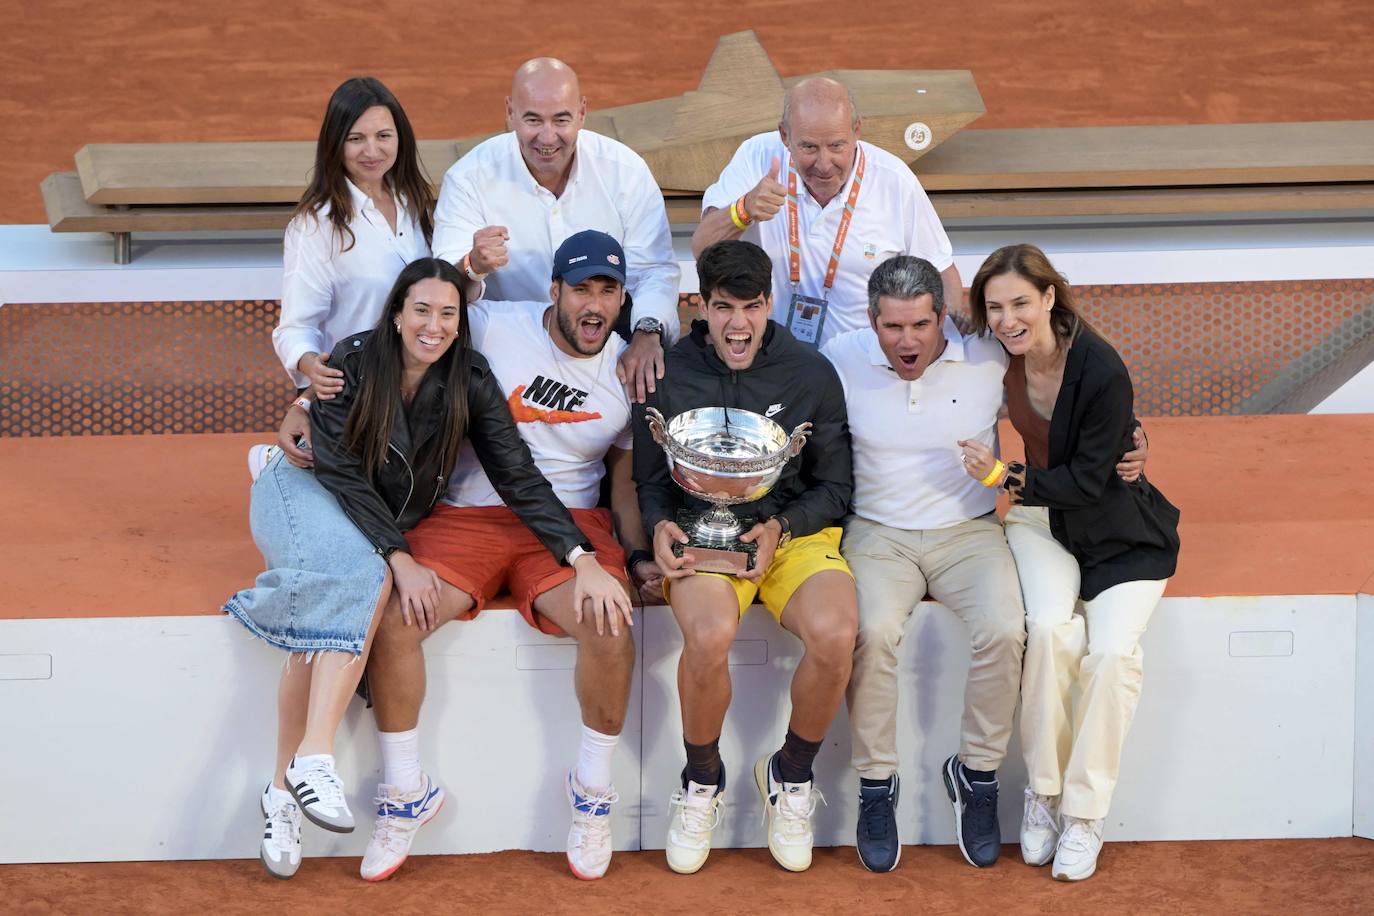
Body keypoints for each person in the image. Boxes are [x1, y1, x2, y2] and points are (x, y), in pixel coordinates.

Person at [227, 257, 572, 878]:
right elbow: (338, 472)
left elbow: (517, 475)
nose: (434, 325)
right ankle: (314, 758)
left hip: (367, 513)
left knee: (336, 596)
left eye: (447, 313)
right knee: (362, 579)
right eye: (421, 310)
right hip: (306, 488)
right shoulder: (351, 363)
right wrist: (399, 555)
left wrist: (579, 555)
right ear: (396, 313)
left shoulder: (469, 377)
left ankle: (283, 792)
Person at [824, 256, 1150, 873]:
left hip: (970, 532)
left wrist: (1129, 439)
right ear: (872, 322)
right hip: (876, 534)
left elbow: (1074, 383)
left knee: (1007, 629)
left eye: (920, 324)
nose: (907, 340)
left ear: (942, 317)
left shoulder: (989, 354)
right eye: (892, 327)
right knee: (869, 632)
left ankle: (976, 775)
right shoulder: (839, 358)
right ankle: (875, 786)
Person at [360, 231, 646, 883]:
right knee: (396, 616)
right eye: (581, 289)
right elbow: (424, 317)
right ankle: (404, 791)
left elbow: (624, 479)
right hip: (471, 512)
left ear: (622, 298)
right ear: (555, 293)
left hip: (571, 522)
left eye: (607, 290)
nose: (593, 304)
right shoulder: (493, 325)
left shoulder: (628, 366)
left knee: (611, 624)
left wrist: (629, 558)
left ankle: (592, 794)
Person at [633, 240, 856, 875]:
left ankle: (789, 776)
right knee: (706, 635)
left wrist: (782, 525)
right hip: (700, 531)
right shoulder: (668, 372)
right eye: (722, 307)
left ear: (770, 304)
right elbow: (650, 480)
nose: (738, 324)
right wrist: (656, 527)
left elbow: (836, 486)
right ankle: (702, 782)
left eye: (752, 307)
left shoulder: (811, 373)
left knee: (838, 635)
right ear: (698, 305)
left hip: (792, 532)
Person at [961, 243, 1180, 882]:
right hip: (1042, 524)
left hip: (1117, 531)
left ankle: (1084, 814)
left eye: (1020, 303)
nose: (1006, 319)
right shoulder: (993, 351)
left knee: (1112, 657)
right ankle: (1045, 793)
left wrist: (1004, 474)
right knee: (1053, 634)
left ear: (1051, 297)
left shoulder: (1101, 368)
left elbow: (1088, 481)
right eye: (995, 307)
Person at [432, 57, 681, 403]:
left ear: (582, 113)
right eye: (533, 119)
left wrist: (647, 332)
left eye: (561, 119)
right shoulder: (468, 178)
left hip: (601, 352)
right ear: (509, 113)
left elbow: (653, 269)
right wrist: (472, 265)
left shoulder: (625, 171)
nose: (547, 137)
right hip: (502, 362)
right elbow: (440, 285)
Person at [260, 76, 468, 474]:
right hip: (360, 394)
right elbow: (296, 327)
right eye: (356, 139)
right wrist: (308, 381)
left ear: (400, 138)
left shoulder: (419, 204)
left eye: (383, 136)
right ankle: (279, 469)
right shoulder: (315, 224)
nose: (371, 151)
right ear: (335, 143)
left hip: (426, 385)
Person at [692, 77, 959, 350]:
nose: (824, 164)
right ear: (784, 136)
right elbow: (703, 248)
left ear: (857, 131)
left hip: (865, 365)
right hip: (770, 363)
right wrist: (744, 209)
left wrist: (944, 352)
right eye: (809, 147)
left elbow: (941, 273)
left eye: (836, 146)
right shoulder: (756, 157)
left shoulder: (894, 179)